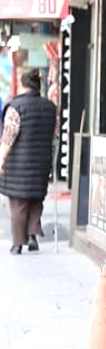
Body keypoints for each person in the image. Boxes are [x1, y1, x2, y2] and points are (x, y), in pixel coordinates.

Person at [0, 70, 57, 255]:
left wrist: (1, 158)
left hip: (19, 164)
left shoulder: (15, 107)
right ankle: (33, 235)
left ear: (22, 84)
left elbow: (9, 136)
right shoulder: (50, 107)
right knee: (36, 199)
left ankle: (18, 243)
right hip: (42, 161)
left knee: (19, 202)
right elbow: (55, 133)